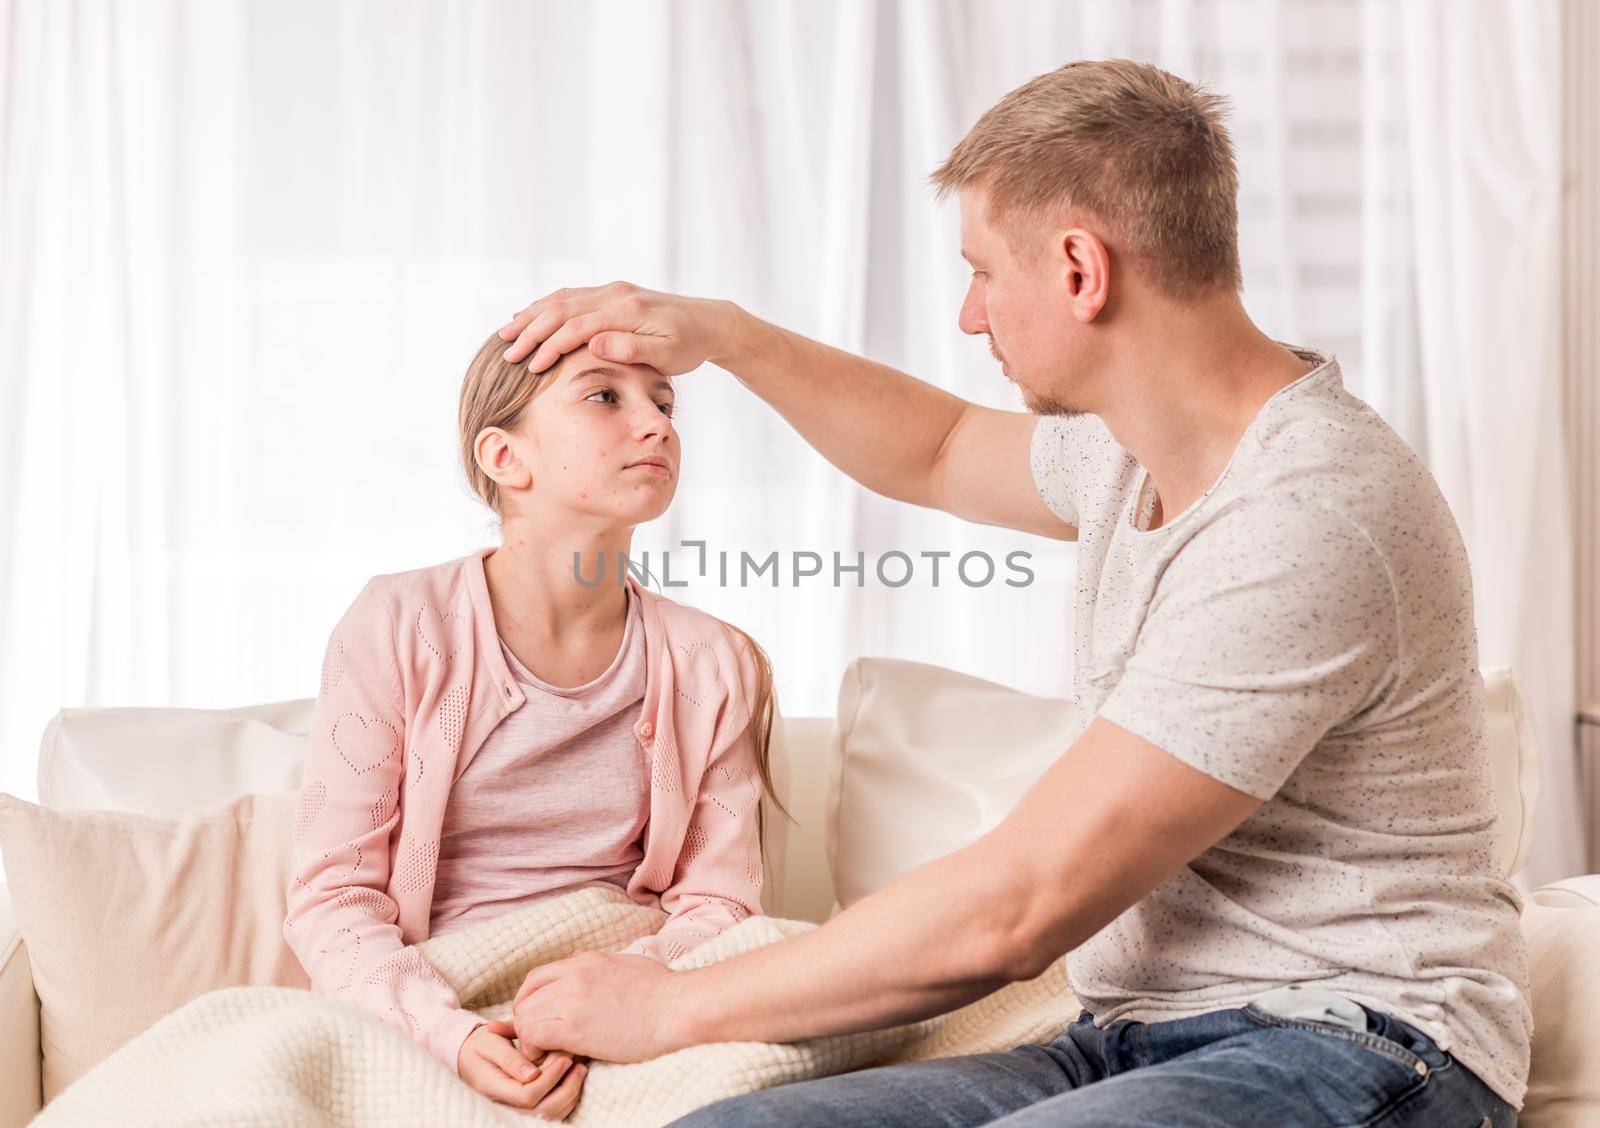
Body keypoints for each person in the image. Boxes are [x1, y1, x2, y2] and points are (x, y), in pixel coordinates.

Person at [495, 59, 1530, 1126]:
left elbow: (1017, 909)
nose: (969, 315)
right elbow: (937, 450)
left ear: (1081, 270)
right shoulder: (1132, 452)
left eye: (985, 272)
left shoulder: (1306, 518)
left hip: (1364, 1042)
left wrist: (671, 1006)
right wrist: (729, 337)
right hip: (1131, 1039)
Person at [283, 332, 781, 1118]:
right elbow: (332, 897)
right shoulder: (399, 624)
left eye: (663, 402)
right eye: (604, 396)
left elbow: (722, 905)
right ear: (505, 457)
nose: (656, 424)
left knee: (799, 967)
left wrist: (618, 1004)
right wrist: (449, 1036)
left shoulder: (714, 659)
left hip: (630, 987)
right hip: (440, 993)